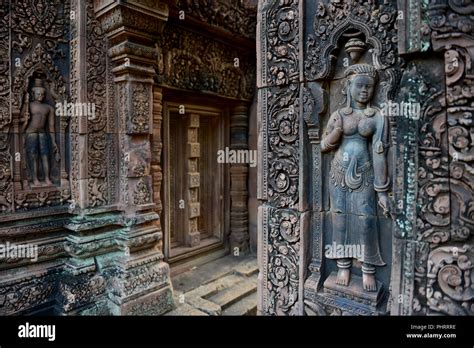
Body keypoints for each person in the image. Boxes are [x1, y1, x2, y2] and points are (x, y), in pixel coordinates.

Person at [321, 64, 390, 292]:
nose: (364, 91)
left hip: (366, 173)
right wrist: (337, 132)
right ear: (348, 86)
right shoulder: (340, 115)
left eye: (369, 87)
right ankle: (343, 265)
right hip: (339, 173)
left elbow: (379, 152)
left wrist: (382, 191)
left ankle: (368, 267)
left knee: (367, 219)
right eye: (359, 85)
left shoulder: (377, 116)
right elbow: (324, 145)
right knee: (339, 219)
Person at [24, 78, 59, 186]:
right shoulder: (29, 105)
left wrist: (53, 141)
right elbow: (20, 118)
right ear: (33, 94)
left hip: (43, 133)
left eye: (43, 94)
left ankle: (47, 178)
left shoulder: (48, 108)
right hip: (31, 132)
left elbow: (51, 126)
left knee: (45, 155)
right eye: (38, 93)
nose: (41, 96)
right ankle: (35, 179)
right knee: (33, 155)